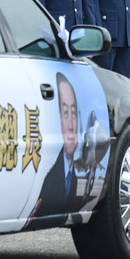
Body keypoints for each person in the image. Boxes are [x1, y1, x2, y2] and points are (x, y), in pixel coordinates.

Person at [33, 73, 83, 224]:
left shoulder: (77, 174)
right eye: (65, 113)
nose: (70, 124)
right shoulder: (48, 183)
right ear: (58, 117)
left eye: (73, 113)